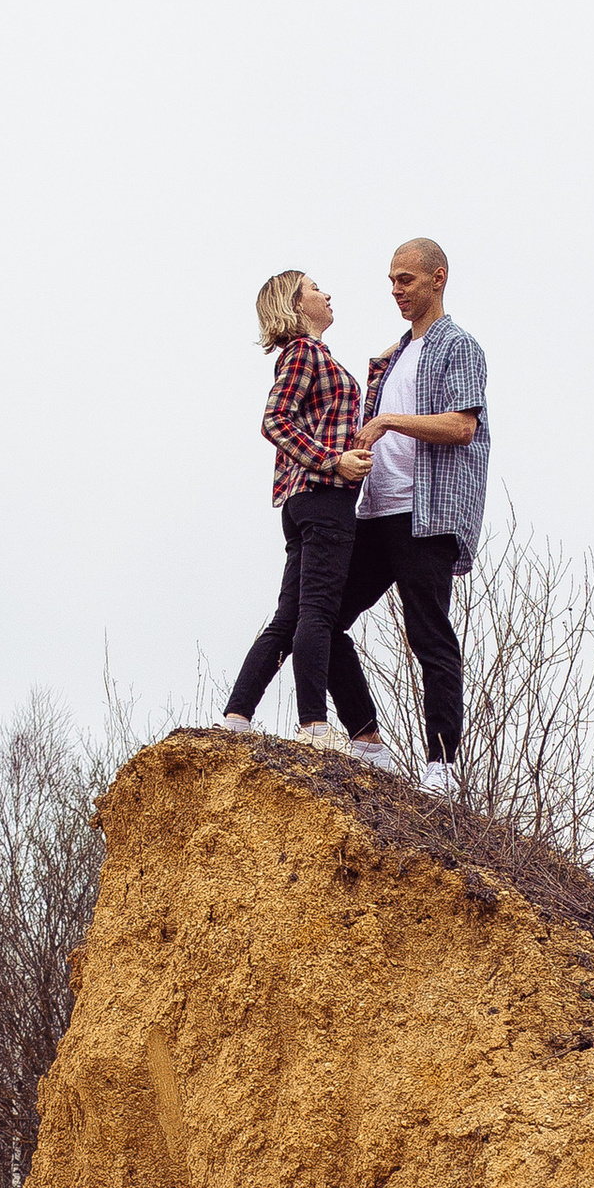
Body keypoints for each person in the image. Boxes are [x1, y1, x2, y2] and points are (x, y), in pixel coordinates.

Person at [332, 237, 491, 797]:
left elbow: (462, 427)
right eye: (392, 281)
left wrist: (390, 421)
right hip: (375, 511)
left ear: (438, 278)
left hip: (426, 514)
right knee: (321, 617)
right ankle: (368, 742)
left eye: (407, 279)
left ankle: (442, 768)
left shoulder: (458, 347)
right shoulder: (393, 355)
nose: (397, 290)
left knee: (431, 639)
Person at [218, 271, 378, 747]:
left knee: (289, 618)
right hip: (323, 497)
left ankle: (237, 715)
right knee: (319, 614)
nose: (327, 293)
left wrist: (381, 367)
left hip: (302, 501)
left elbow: (338, 415)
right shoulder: (303, 352)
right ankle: (314, 725)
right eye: (314, 288)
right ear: (293, 303)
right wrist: (334, 462)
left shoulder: (316, 356)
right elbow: (274, 420)